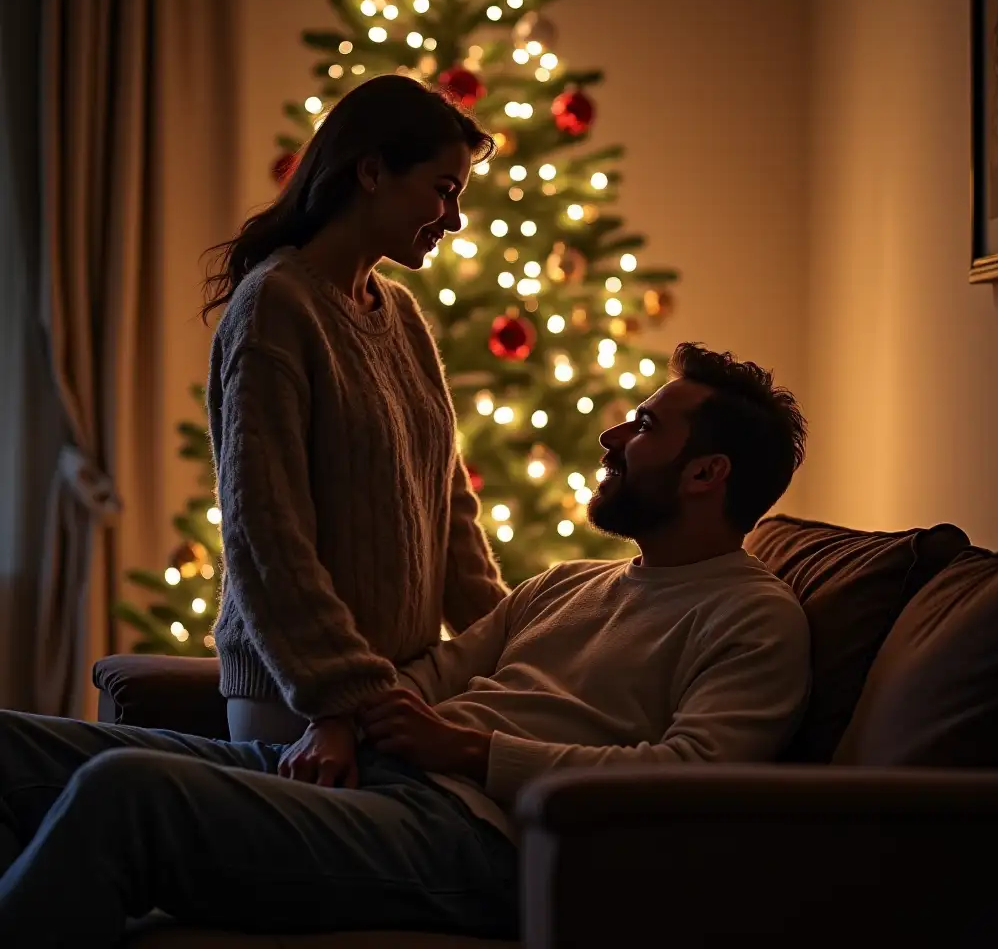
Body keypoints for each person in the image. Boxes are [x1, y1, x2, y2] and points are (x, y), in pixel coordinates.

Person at [0, 343, 811, 947]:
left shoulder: (754, 617)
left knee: (124, 792)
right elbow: (436, 672)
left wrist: (475, 750)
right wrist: (342, 721)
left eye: (644, 427)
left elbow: (693, 780)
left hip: (478, 841)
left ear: (707, 474)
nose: (612, 437)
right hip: (380, 779)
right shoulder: (571, 582)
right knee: (15, 745)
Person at [202, 74, 509, 771]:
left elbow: (450, 516)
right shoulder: (277, 305)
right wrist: (344, 702)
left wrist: (519, 645)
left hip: (397, 698)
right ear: (371, 172)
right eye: (443, 189)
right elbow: (266, 533)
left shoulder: (400, 315)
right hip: (302, 706)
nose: (453, 218)